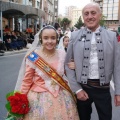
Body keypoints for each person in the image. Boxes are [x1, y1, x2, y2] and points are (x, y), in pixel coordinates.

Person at [65, 2, 120, 120]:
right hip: (83, 88)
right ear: (83, 17)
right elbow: (67, 64)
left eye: (93, 13)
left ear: (100, 15)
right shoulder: (74, 36)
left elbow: (117, 66)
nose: (90, 16)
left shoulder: (111, 36)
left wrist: (118, 92)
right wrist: (77, 89)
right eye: (86, 14)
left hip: (103, 90)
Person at [15, 25, 79, 120]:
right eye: (46, 38)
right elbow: (27, 81)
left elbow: (67, 73)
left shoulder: (62, 54)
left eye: (53, 38)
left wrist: (75, 67)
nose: (49, 41)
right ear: (41, 39)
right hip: (38, 98)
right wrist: (20, 101)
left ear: (57, 39)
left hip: (61, 95)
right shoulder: (33, 57)